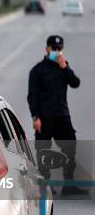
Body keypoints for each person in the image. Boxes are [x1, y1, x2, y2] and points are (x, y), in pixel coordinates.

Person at [27, 35, 86, 196]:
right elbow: (32, 96)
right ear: (47, 49)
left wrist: (65, 68)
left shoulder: (64, 67)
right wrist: (35, 117)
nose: (57, 52)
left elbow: (75, 83)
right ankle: (45, 186)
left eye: (60, 49)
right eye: (54, 49)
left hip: (62, 116)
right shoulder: (37, 70)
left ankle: (69, 185)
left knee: (70, 147)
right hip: (44, 118)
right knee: (43, 152)